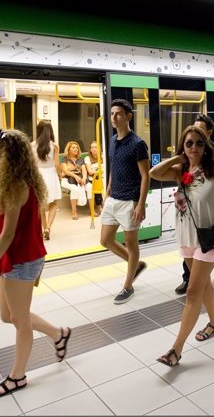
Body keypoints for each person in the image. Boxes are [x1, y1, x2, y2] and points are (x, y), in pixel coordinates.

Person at [0, 129, 71, 398]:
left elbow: (9, 232)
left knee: (19, 320)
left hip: (21, 259)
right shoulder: (12, 181)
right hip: (13, 257)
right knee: (7, 315)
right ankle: (58, 333)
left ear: (10, 158)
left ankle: (17, 377)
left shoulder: (17, 185)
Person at [149, 125, 214, 366]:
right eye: (189, 144)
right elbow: (155, 172)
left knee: (192, 292)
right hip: (186, 237)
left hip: (210, 239)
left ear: (206, 145)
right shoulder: (181, 169)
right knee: (204, 284)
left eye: (198, 143)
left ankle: (176, 350)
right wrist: (180, 158)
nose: (194, 147)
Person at [175, 114, 214, 295]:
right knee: (196, 243)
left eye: (201, 130)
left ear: (209, 133)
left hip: (212, 209)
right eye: (189, 142)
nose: (194, 144)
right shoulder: (186, 161)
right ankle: (189, 277)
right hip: (191, 222)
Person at [100, 99, 150, 304]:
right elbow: (114, 167)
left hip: (130, 200)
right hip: (114, 198)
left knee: (131, 243)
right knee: (105, 240)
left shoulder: (137, 144)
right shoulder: (112, 141)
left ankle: (128, 286)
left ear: (128, 116)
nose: (114, 117)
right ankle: (135, 264)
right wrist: (108, 188)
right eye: (112, 114)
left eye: (118, 114)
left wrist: (140, 203)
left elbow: (146, 176)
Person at [31, 119, 62, 240]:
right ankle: (48, 227)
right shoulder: (54, 146)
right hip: (51, 174)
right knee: (53, 203)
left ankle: (44, 229)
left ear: (38, 130)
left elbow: (31, 164)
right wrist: (60, 174)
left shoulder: (32, 145)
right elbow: (56, 164)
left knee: (40, 206)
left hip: (38, 176)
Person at [60, 141, 93, 219]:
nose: (76, 149)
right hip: (66, 180)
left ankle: (91, 210)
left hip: (80, 179)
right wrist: (75, 176)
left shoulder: (81, 159)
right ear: (68, 149)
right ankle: (74, 212)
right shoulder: (64, 159)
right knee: (74, 189)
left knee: (89, 187)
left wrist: (84, 178)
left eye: (77, 148)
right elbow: (65, 171)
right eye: (73, 147)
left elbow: (84, 170)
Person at [84, 140, 104, 216]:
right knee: (97, 182)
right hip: (93, 179)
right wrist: (99, 171)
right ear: (90, 149)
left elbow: (107, 169)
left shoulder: (103, 156)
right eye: (92, 147)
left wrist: (97, 171)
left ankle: (103, 206)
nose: (94, 149)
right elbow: (90, 171)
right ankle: (99, 207)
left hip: (103, 178)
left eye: (96, 147)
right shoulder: (87, 158)